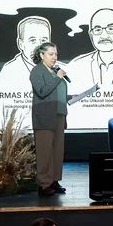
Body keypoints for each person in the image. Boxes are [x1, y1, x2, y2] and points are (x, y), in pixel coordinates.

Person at [29, 42, 71, 196]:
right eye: (51, 54)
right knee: (45, 151)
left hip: (59, 114)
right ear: (42, 55)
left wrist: (71, 97)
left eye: (56, 54)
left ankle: (54, 180)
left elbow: (55, 94)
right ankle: (43, 184)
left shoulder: (54, 72)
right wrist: (58, 78)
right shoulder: (37, 71)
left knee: (57, 150)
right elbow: (42, 91)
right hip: (44, 115)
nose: (54, 57)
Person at [0, 16, 66, 80]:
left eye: (44, 40)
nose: (39, 45)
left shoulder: (62, 69)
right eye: (33, 40)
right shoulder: (9, 71)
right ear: (20, 44)